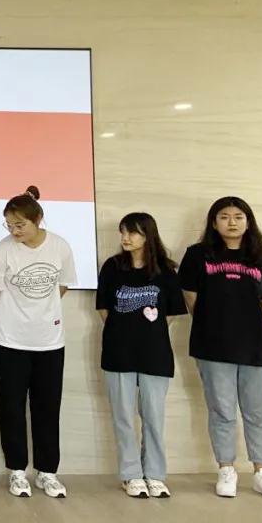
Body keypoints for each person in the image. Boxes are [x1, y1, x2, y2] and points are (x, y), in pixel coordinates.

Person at [178, 196, 262, 501]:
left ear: (248, 222)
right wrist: (216, 324)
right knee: (222, 410)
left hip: (256, 346)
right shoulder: (197, 255)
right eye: (224, 216)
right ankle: (226, 469)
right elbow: (190, 297)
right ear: (214, 223)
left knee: (257, 412)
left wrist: (244, 324)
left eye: (238, 216)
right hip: (212, 344)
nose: (232, 222)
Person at [0, 186, 75, 499]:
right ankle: (17, 471)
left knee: (47, 407)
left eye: (20, 224)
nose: (14, 231)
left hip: (50, 341)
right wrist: (14, 317)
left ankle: (47, 472)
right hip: (10, 342)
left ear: (37, 219)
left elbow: (62, 286)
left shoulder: (60, 247)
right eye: (9, 225)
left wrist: (40, 313)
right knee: (11, 407)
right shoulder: (1, 252)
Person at [95, 212, 185, 499]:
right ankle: (131, 474)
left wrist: (147, 332)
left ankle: (155, 474)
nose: (125, 238)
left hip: (155, 353)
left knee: (153, 417)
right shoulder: (112, 267)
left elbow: (171, 314)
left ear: (148, 235)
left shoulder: (167, 271)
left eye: (132, 232)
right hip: (118, 351)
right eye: (123, 232)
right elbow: (103, 309)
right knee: (123, 417)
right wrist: (124, 331)